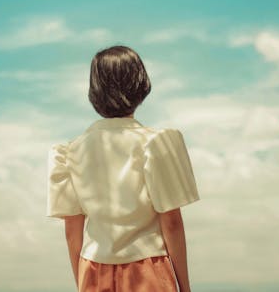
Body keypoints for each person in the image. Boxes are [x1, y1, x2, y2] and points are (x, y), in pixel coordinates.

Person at [46, 45, 200, 292]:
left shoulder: (69, 152)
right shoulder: (155, 143)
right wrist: (185, 288)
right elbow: (171, 222)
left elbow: (71, 230)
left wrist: (82, 282)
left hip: (92, 268)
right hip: (148, 268)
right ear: (140, 85)